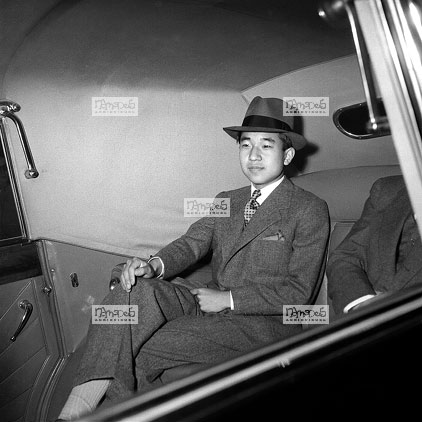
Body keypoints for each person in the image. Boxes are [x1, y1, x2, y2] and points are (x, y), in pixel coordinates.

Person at [58, 96, 330, 420]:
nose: (254, 156)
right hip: (206, 301)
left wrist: (228, 299)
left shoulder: (309, 209)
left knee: (143, 345)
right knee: (131, 291)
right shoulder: (226, 199)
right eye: (246, 146)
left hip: (264, 323)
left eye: (266, 146)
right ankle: (73, 413)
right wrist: (154, 265)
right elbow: (190, 245)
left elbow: (299, 293)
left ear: (286, 154)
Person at [327, 175, 422, 315]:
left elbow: (299, 292)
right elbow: (345, 257)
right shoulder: (388, 190)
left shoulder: (307, 208)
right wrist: (362, 303)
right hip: (360, 321)